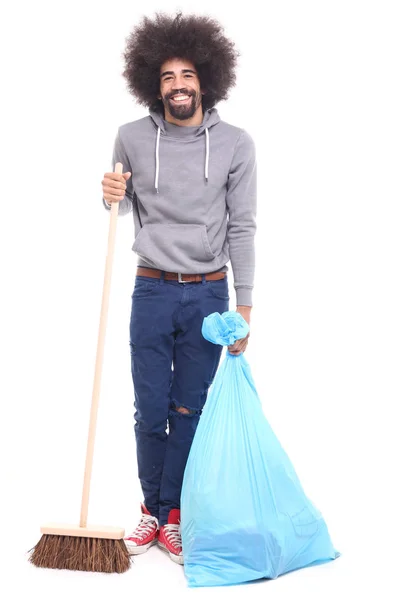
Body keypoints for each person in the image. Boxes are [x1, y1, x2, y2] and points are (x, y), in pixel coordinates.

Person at [101, 12, 257, 565]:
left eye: (187, 74)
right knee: (149, 408)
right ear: (153, 82)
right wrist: (110, 191)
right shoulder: (131, 137)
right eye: (167, 76)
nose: (178, 85)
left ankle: (173, 515)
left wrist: (244, 307)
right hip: (152, 289)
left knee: (189, 406)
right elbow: (119, 204)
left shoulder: (236, 144)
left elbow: (242, 225)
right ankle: (151, 507)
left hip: (210, 294)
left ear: (206, 80)